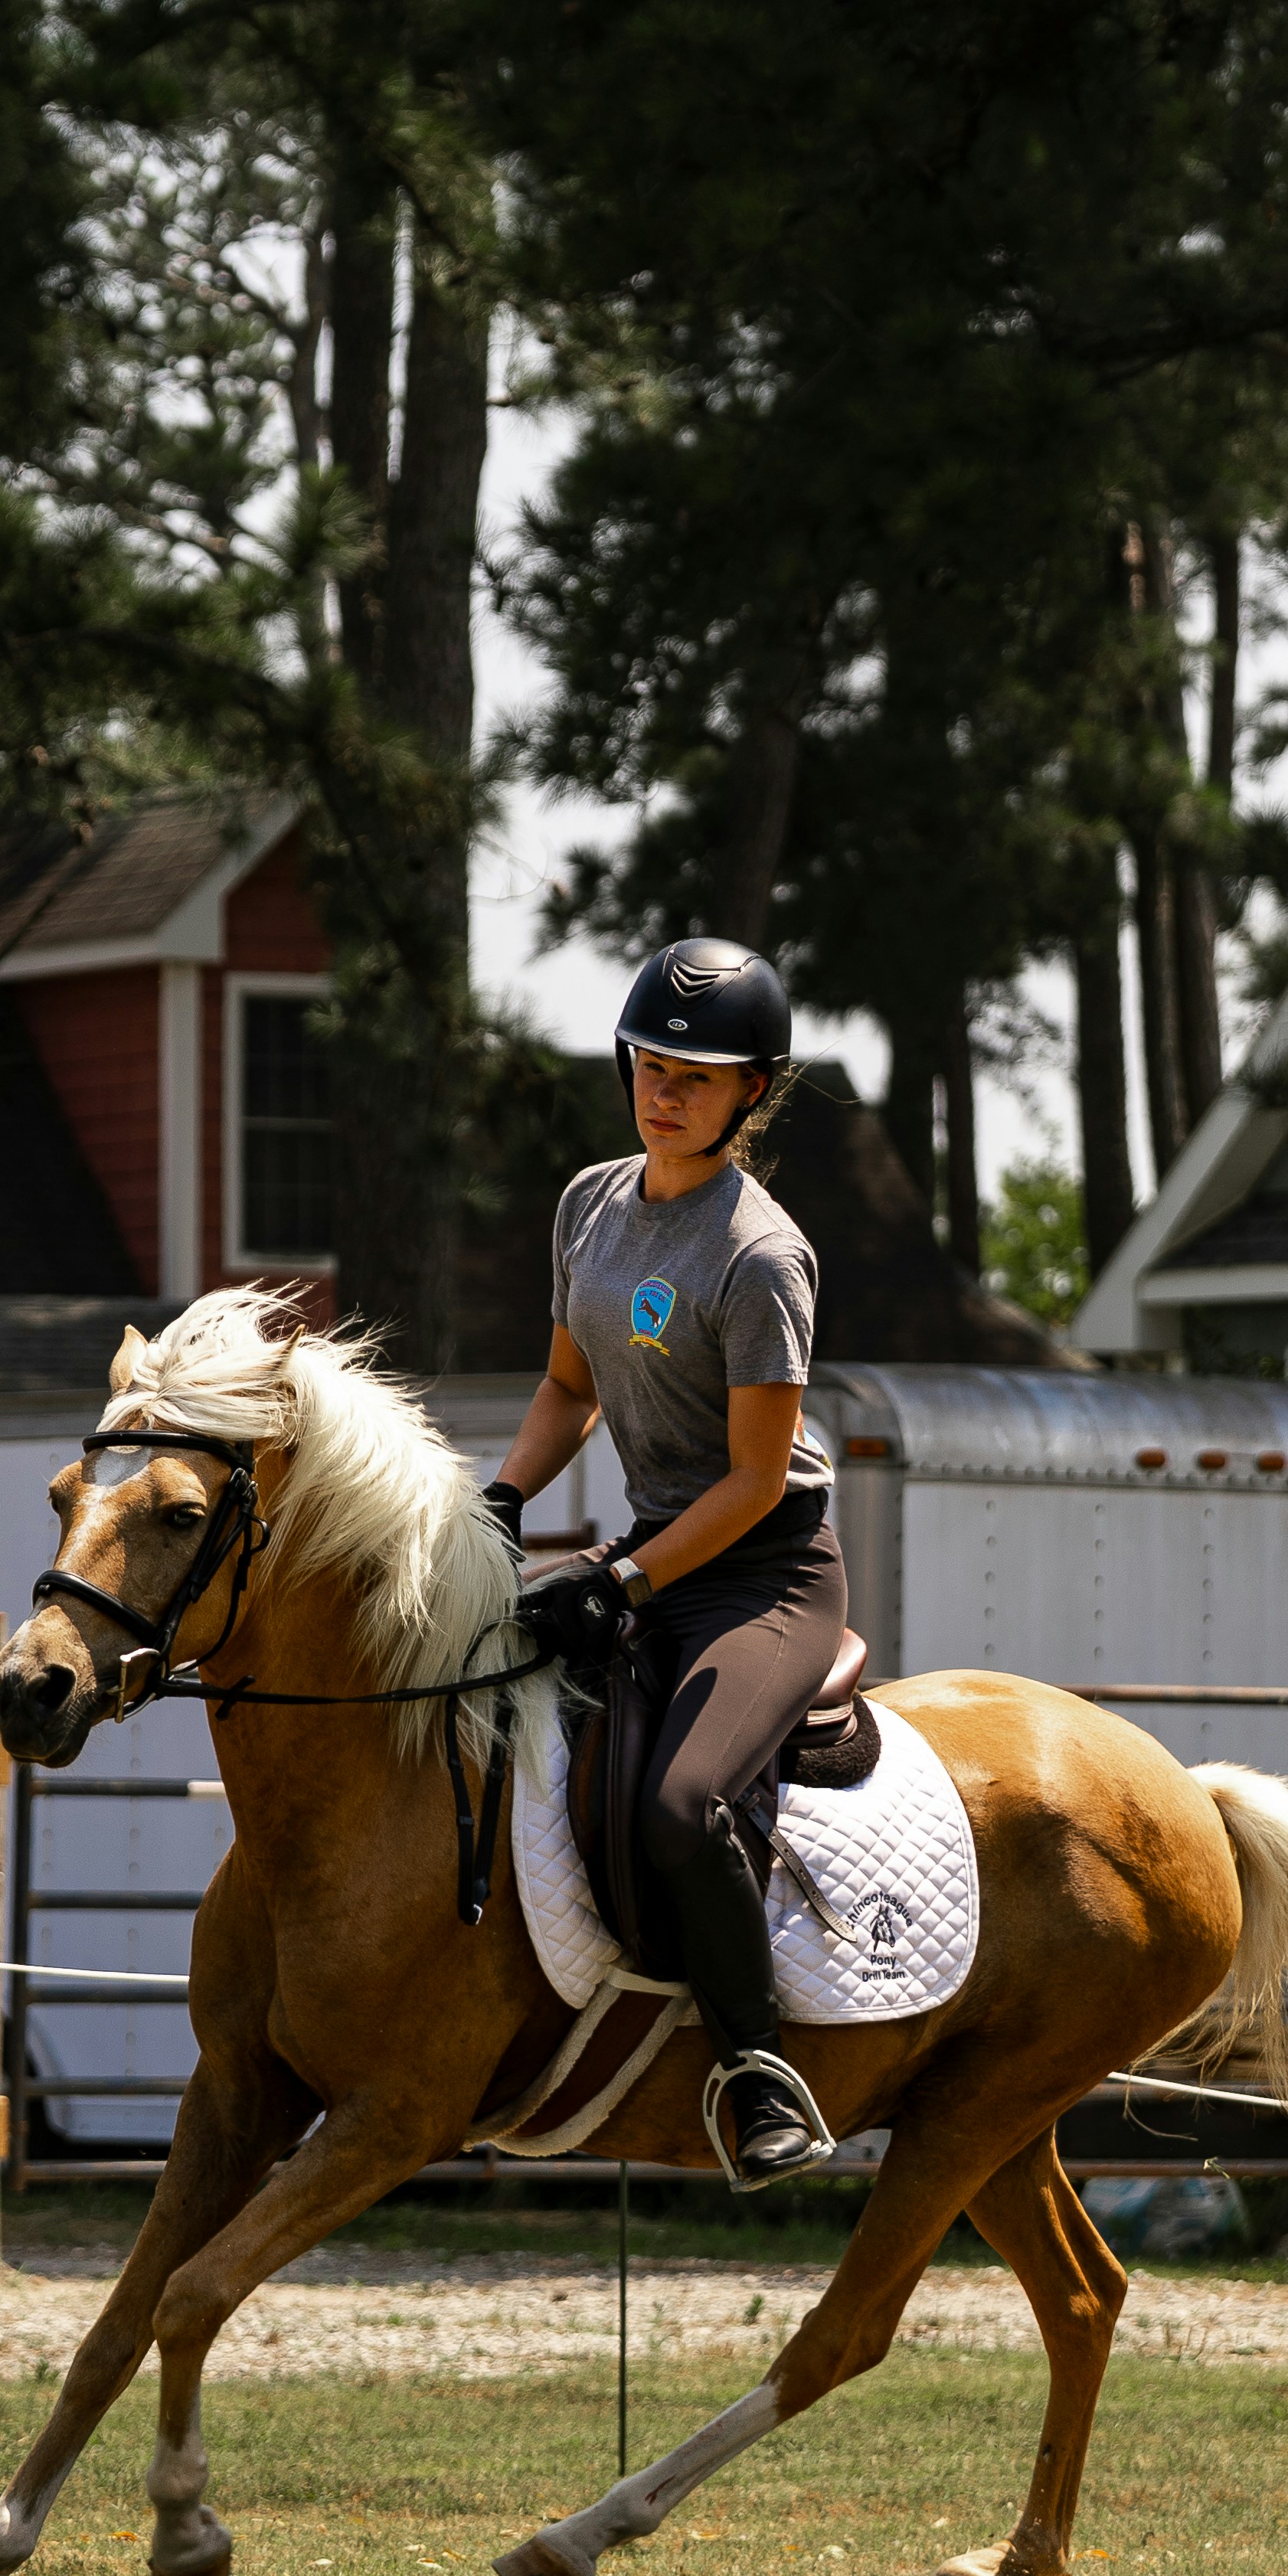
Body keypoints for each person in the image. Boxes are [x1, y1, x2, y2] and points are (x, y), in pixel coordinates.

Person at [485, 937, 845, 2187]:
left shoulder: (760, 1256)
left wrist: (626, 1583)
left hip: (766, 1576)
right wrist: (502, 1500)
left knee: (681, 1807)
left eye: (698, 1074)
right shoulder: (590, 1203)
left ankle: (757, 2071)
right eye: (650, 1062)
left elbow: (754, 1482)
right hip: (652, 1553)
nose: (665, 1088)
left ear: (755, 1091)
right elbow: (566, 1387)